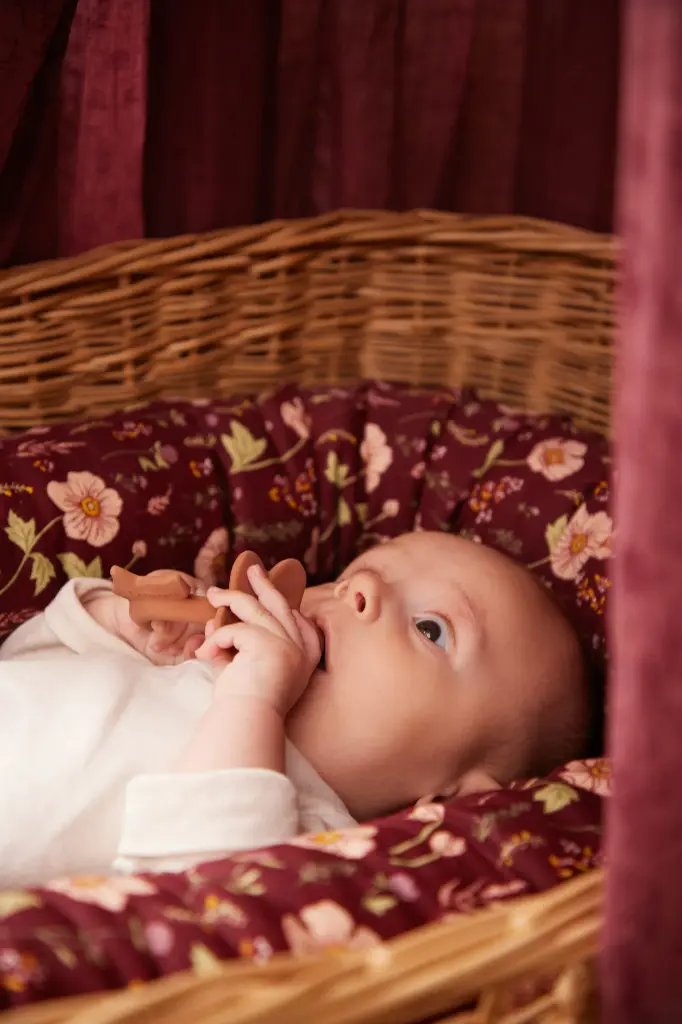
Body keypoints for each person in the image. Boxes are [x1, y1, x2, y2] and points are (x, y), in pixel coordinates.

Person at [0, 531, 587, 888]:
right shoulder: (197, 667)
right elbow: (26, 659)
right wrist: (119, 623)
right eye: (359, 571)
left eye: (431, 628)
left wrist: (253, 699)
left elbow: (194, 896)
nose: (362, 588)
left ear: (452, 799)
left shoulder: (314, 840)